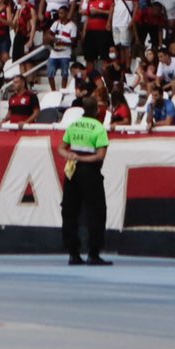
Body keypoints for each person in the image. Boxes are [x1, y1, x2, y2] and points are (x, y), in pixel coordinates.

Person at [55, 94, 111, 266]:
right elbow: (100, 155)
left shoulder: (74, 125)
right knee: (96, 211)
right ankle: (93, 253)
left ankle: (73, 253)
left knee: (70, 211)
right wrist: (84, 159)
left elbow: (61, 148)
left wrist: (71, 156)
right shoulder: (98, 128)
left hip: (72, 171)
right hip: (90, 172)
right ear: (96, 110)